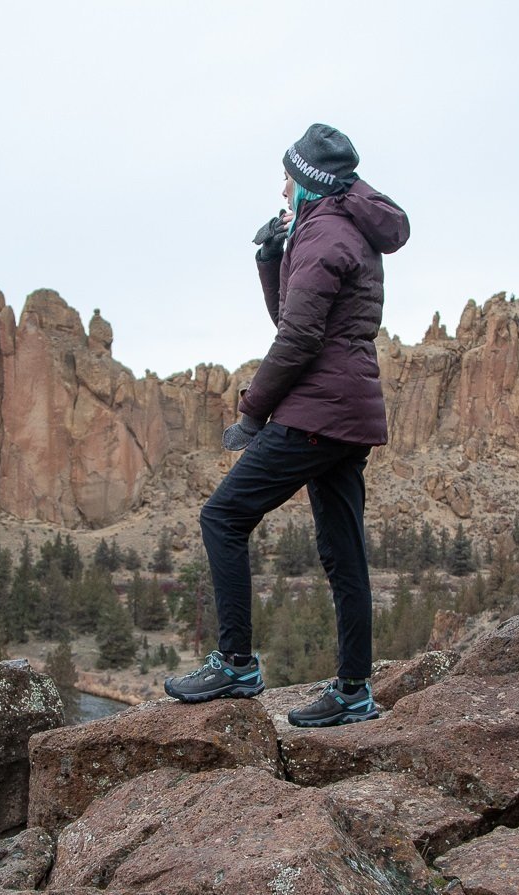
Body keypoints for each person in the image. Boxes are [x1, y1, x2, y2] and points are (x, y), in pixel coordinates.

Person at [163, 123, 410, 727]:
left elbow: (296, 338)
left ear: (308, 183)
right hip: (348, 413)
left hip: (317, 412)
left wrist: (251, 414)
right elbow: (295, 316)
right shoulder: (338, 229)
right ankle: (355, 692)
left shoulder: (324, 233)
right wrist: (271, 256)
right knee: (343, 552)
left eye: (289, 176)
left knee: (223, 516)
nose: (281, 186)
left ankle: (236, 664)